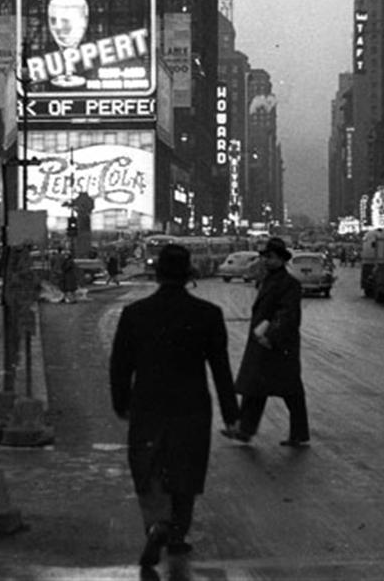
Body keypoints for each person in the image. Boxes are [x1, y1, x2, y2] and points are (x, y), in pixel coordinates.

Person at [110, 244, 240, 569]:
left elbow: (120, 366)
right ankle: (178, 535)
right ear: (189, 275)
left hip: (148, 403)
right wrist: (232, 415)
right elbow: (221, 370)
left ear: (156, 274)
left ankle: (156, 525)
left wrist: (121, 402)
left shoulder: (135, 314)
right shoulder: (208, 315)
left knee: (149, 466)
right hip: (191, 405)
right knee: (186, 469)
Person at [222, 236, 310, 447]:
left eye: (270, 257)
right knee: (256, 388)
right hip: (265, 343)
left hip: (278, 345)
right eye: (265, 257)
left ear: (281, 259)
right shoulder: (268, 279)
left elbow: (288, 314)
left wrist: (270, 335)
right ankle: (245, 429)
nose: (266, 261)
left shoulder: (289, 284)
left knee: (290, 391)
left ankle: (298, 433)